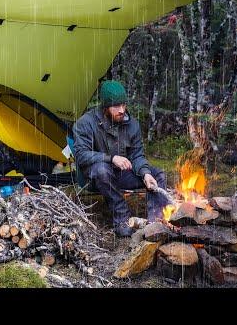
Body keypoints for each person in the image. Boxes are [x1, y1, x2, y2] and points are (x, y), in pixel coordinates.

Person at [72, 80, 172, 237]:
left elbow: (137, 155)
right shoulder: (85, 123)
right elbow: (81, 155)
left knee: (157, 174)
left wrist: (145, 172)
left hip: (121, 174)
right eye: (116, 106)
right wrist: (110, 158)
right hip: (95, 178)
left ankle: (157, 222)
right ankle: (122, 218)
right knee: (102, 170)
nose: (121, 110)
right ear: (104, 107)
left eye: (123, 105)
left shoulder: (132, 124)